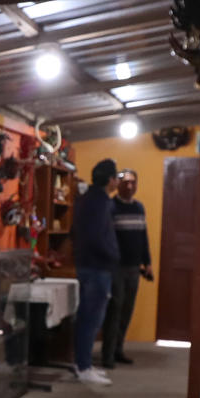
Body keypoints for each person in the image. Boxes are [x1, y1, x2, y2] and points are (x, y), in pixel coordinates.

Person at [70, 157, 120, 385]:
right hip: (97, 267)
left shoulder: (84, 199)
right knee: (91, 319)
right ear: (110, 179)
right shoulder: (101, 202)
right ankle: (83, 366)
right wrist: (114, 256)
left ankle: (84, 363)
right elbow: (99, 237)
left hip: (86, 264)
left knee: (87, 318)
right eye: (116, 177)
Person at [101, 169, 154, 367]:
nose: (129, 186)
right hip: (115, 268)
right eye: (125, 183)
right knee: (114, 310)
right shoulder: (111, 207)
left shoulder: (139, 208)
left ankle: (118, 350)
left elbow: (143, 237)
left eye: (133, 183)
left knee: (126, 310)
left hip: (134, 268)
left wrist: (147, 263)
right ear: (118, 184)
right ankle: (107, 356)